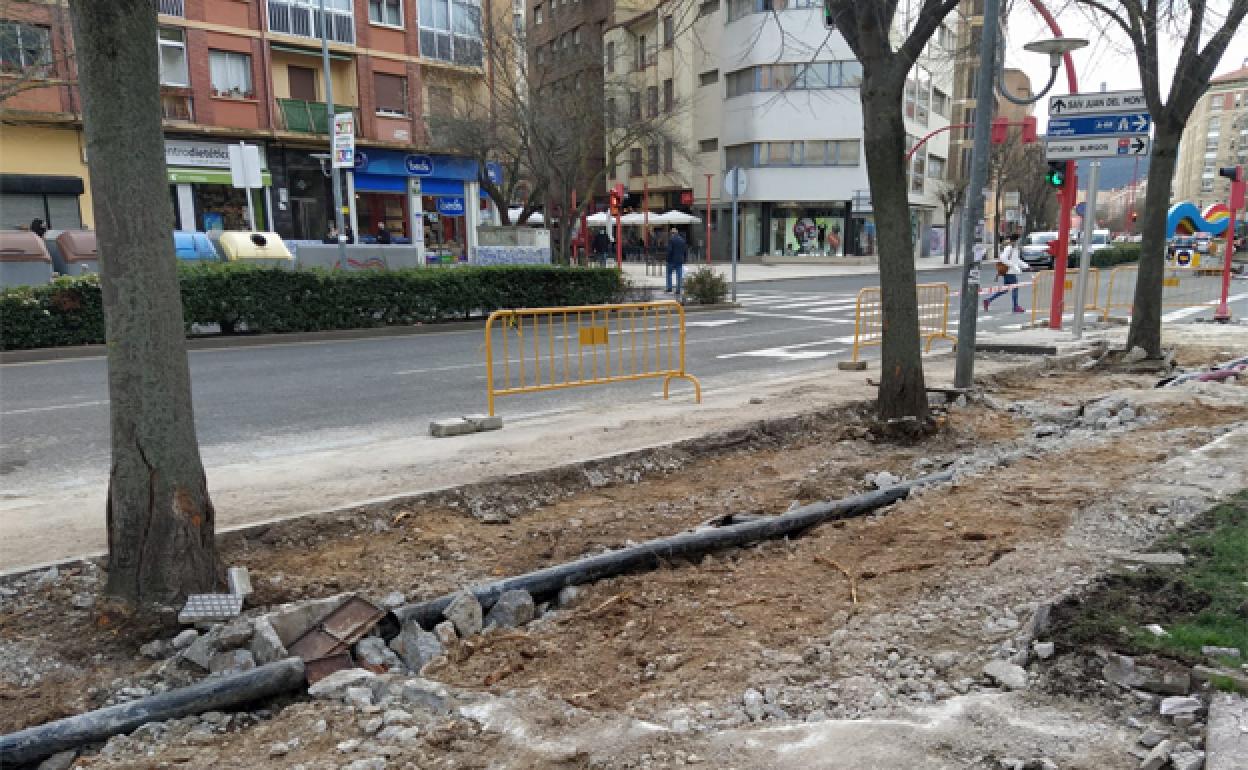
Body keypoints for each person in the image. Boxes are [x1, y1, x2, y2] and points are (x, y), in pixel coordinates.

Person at [984, 232, 1026, 313]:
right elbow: (1004, 258)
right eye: (1019, 240)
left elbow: (1015, 260)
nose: (1019, 242)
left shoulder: (1012, 247)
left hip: (1008, 271)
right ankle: (1015, 307)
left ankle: (988, 300)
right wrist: (1012, 265)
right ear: (1016, 240)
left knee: (1005, 289)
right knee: (1015, 288)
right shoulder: (1010, 248)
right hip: (1009, 271)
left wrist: (1026, 266)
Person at [665, 227, 687, 295]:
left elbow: (669, 251)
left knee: (669, 274)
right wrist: (684, 259)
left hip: (671, 260)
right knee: (679, 275)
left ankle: (669, 288)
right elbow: (685, 251)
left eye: (671, 233)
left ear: (672, 233)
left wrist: (667, 259)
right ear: (677, 233)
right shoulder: (682, 240)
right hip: (680, 260)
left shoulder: (671, 240)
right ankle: (678, 290)